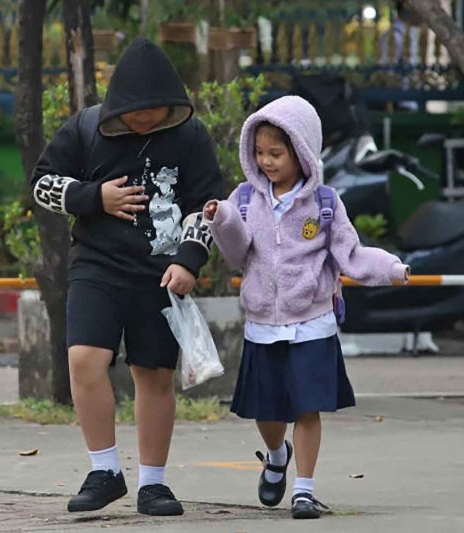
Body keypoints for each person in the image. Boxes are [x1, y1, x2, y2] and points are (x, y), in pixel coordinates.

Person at [30, 36, 222, 516]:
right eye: (136, 110)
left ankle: (153, 484)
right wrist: (95, 198)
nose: (144, 118)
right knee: (84, 361)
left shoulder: (191, 136)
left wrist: (190, 259)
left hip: (161, 273)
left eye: (155, 109)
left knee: (153, 374)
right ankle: (105, 470)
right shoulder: (87, 127)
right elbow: (42, 183)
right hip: (96, 265)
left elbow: (208, 205)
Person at [204, 95, 409, 519]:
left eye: (276, 153)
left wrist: (391, 267)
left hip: (312, 321)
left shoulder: (326, 204)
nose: (266, 162)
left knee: (306, 407)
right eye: (260, 153)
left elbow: (350, 254)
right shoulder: (245, 198)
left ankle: (304, 489)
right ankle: (277, 454)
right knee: (267, 412)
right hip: (263, 323)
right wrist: (222, 220)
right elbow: (237, 253)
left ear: (302, 151)